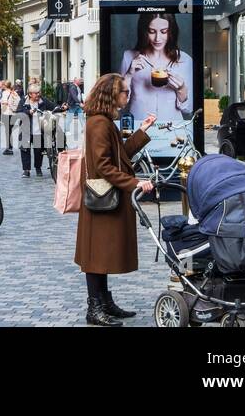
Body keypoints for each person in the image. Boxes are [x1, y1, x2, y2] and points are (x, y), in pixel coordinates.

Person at [74, 72, 156, 326]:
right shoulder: (99, 123)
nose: (127, 96)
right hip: (101, 199)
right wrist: (135, 183)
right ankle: (95, 307)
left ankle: (104, 302)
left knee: (101, 254)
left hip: (105, 198)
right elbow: (104, 166)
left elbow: (121, 155)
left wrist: (141, 132)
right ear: (112, 95)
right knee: (96, 255)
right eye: (124, 92)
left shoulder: (104, 121)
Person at [120, 13, 193, 121]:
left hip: (172, 130)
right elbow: (118, 105)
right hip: (138, 129)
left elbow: (188, 109)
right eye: (152, 31)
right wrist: (129, 75)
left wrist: (181, 89)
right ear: (144, 31)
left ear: (171, 31)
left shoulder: (185, 60)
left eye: (164, 31)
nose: (157, 38)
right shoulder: (128, 57)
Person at [15, 82, 56, 178]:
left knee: (38, 151)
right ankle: (26, 170)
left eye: (39, 92)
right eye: (36, 93)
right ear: (30, 94)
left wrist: (62, 107)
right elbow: (18, 114)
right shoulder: (23, 102)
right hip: (26, 130)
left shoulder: (43, 101)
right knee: (25, 150)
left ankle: (38, 168)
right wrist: (28, 112)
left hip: (38, 131)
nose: (38, 94)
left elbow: (53, 106)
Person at [0, 80, 19, 154]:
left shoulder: (5, 93)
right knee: (10, 130)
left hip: (6, 113)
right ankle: (10, 146)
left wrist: (3, 103)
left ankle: (9, 147)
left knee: (7, 131)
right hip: (13, 113)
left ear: (5, 86)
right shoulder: (15, 93)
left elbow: (3, 102)